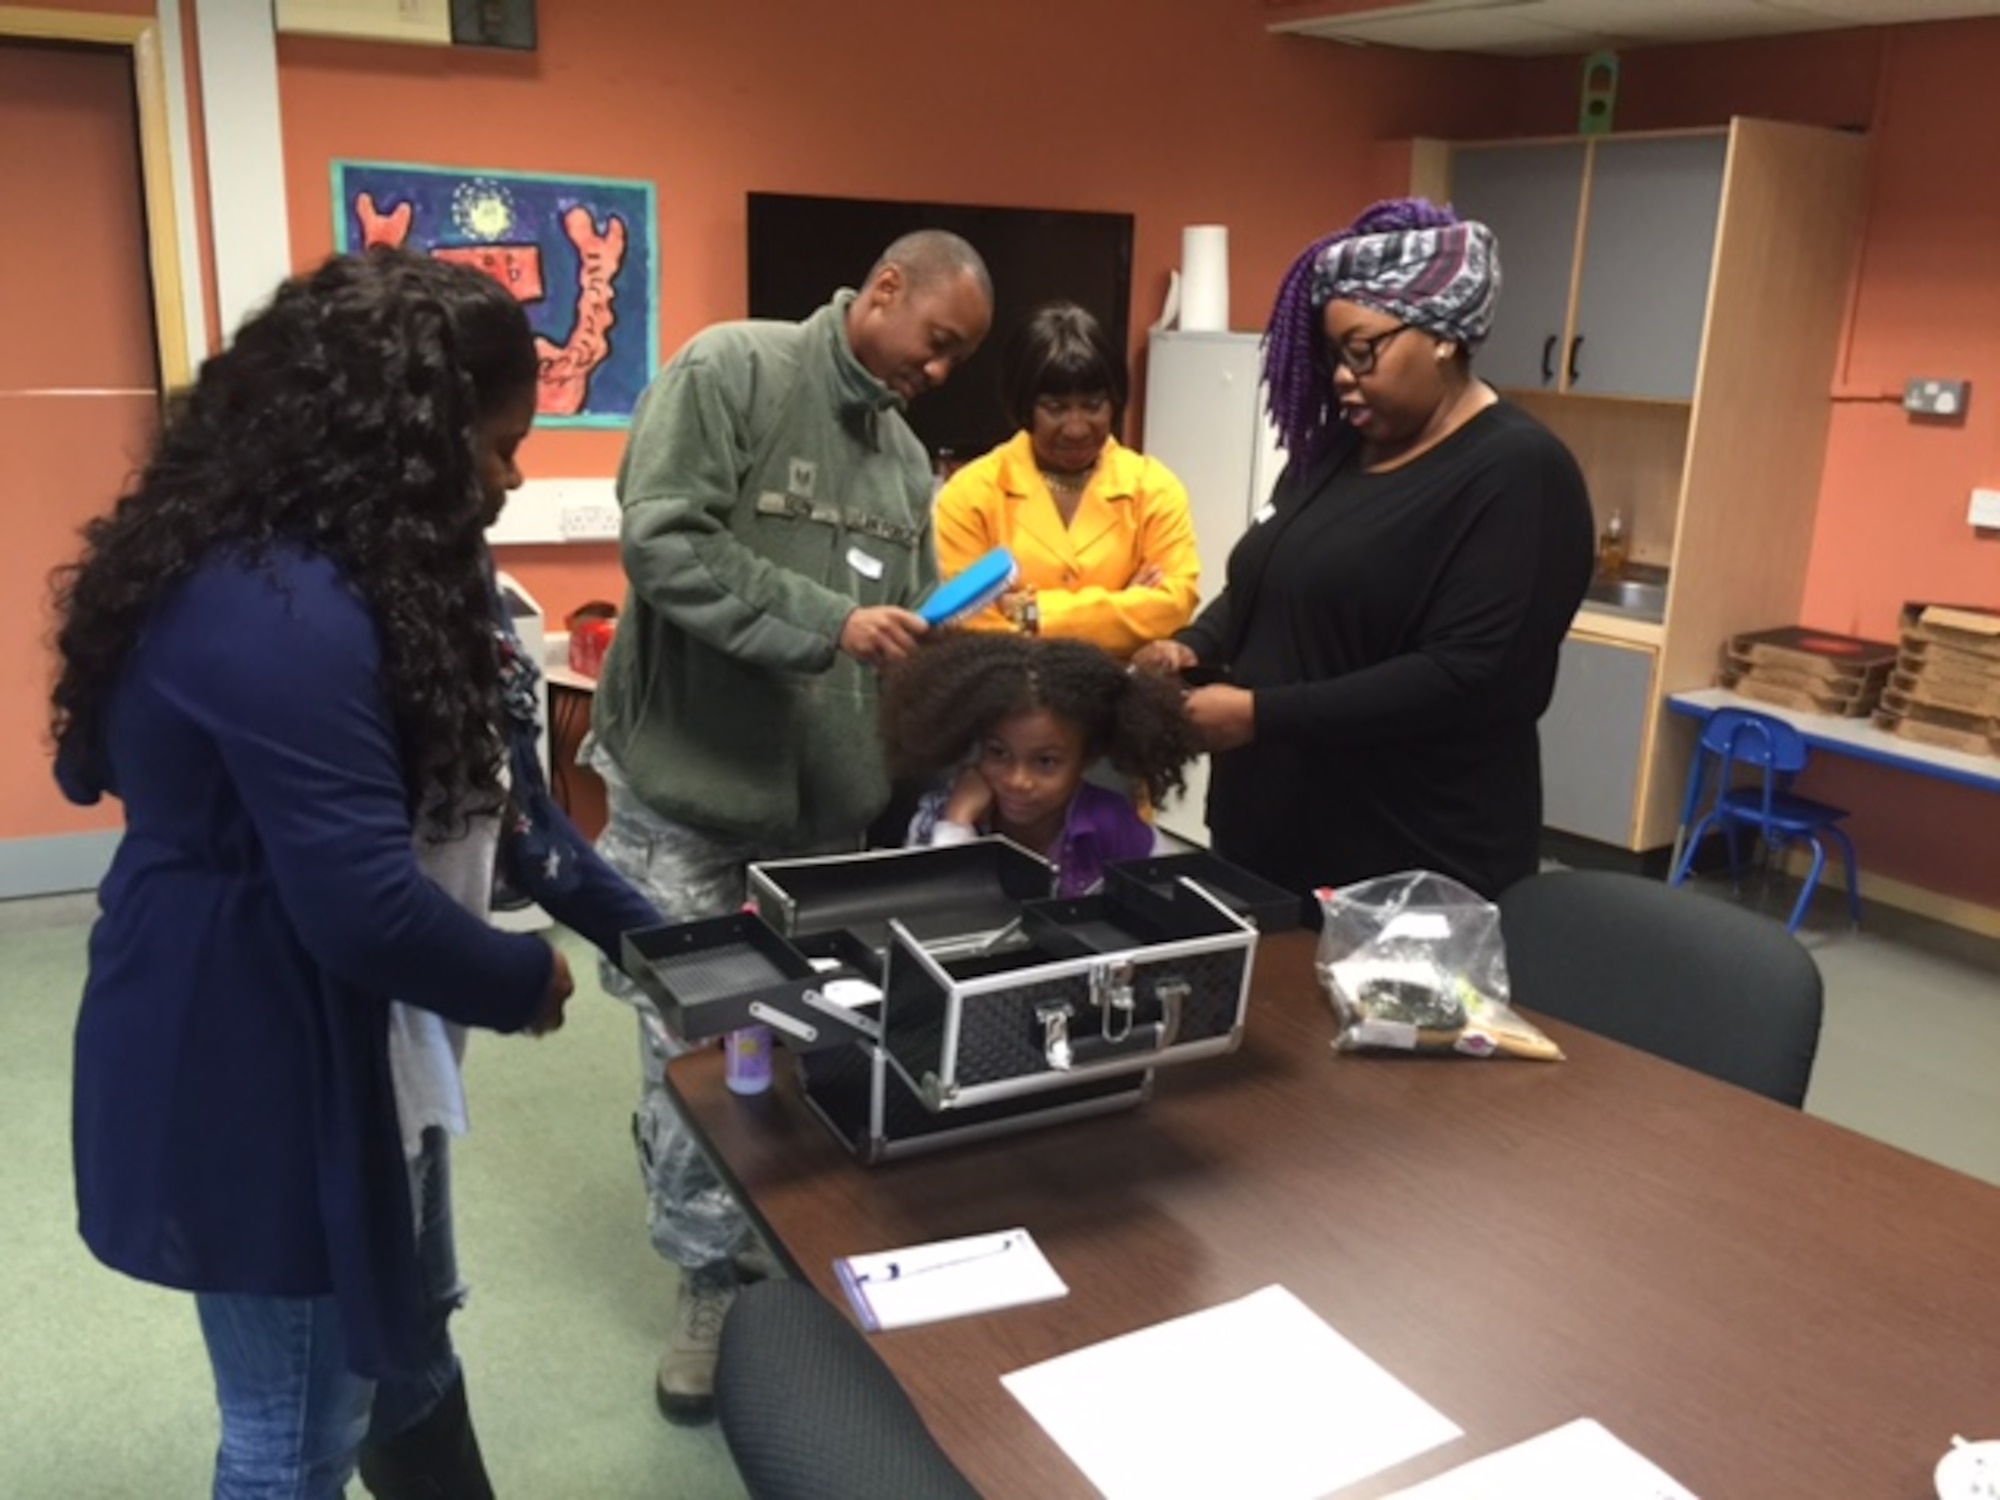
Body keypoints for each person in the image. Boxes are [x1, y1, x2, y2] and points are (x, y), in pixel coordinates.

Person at [50, 247, 660, 1500]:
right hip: (255, 1048)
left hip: (373, 1040)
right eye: (497, 444)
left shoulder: (408, 579)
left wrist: (668, 938)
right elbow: (362, 907)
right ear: (405, 441)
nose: (514, 472)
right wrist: (520, 977)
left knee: (412, 1340)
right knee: (295, 1427)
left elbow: (516, 820)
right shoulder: (268, 605)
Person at [585, 229, 994, 1423]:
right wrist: (831, 621)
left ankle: (772, 1244)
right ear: (881, 292)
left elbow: (897, 634)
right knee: (694, 1049)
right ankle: (706, 1284)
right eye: (936, 342)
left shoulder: (907, 460)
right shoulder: (733, 371)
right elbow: (662, 540)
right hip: (691, 792)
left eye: (957, 358)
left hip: (819, 815)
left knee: (786, 1047)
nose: (937, 370)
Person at [1133, 198, 1594, 903]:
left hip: (1407, 867)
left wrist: (1260, 715)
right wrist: (1192, 646)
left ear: (1441, 336)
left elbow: (1465, 677)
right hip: (1268, 844)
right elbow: (1268, 584)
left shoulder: (1517, 474)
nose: (1341, 376)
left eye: (1362, 350)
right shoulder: (1333, 455)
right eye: (1332, 355)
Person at [933, 301, 1199, 658]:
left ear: (1115, 402)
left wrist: (1032, 612)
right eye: (1055, 408)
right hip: (1005, 702)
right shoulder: (970, 494)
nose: (1076, 428)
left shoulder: (1154, 489)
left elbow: (1174, 605)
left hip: (1116, 700)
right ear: (1024, 406)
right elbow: (966, 622)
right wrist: (1122, 606)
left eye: (1093, 405)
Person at [881, 633, 1201, 896]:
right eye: (998, 753)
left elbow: (1169, 902)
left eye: (1046, 762)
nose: (1018, 780)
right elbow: (933, 912)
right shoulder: (941, 815)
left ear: (1088, 757)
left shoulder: (1112, 824)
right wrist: (957, 822)